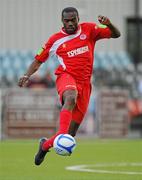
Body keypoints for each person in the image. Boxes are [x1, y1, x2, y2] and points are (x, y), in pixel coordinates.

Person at [18, 7, 121, 166]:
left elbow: (116, 34)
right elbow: (38, 60)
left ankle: (44, 146)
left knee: (70, 135)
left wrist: (109, 24)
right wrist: (26, 75)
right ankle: (59, 134)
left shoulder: (90, 29)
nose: (71, 23)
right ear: (62, 21)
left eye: (73, 19)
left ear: (78, 18)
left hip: (85, 84)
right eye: (67, 21)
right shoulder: (55, 40)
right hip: (66, 76)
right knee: (70, 98)